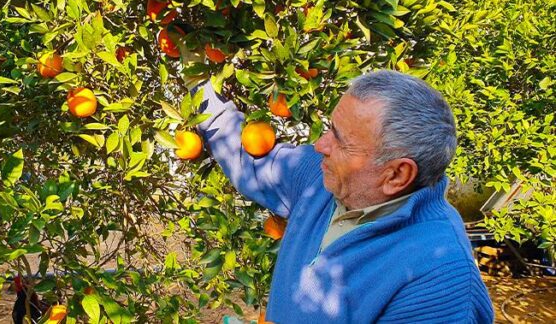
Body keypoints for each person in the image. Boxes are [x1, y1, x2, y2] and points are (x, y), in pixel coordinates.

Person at [184, 64, 495, 323]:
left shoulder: (441, 283)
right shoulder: (318, 178)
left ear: (397, 175)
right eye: (330, 127)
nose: (321, 145)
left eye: (340, 139)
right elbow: (245, 156)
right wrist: (195, 72)